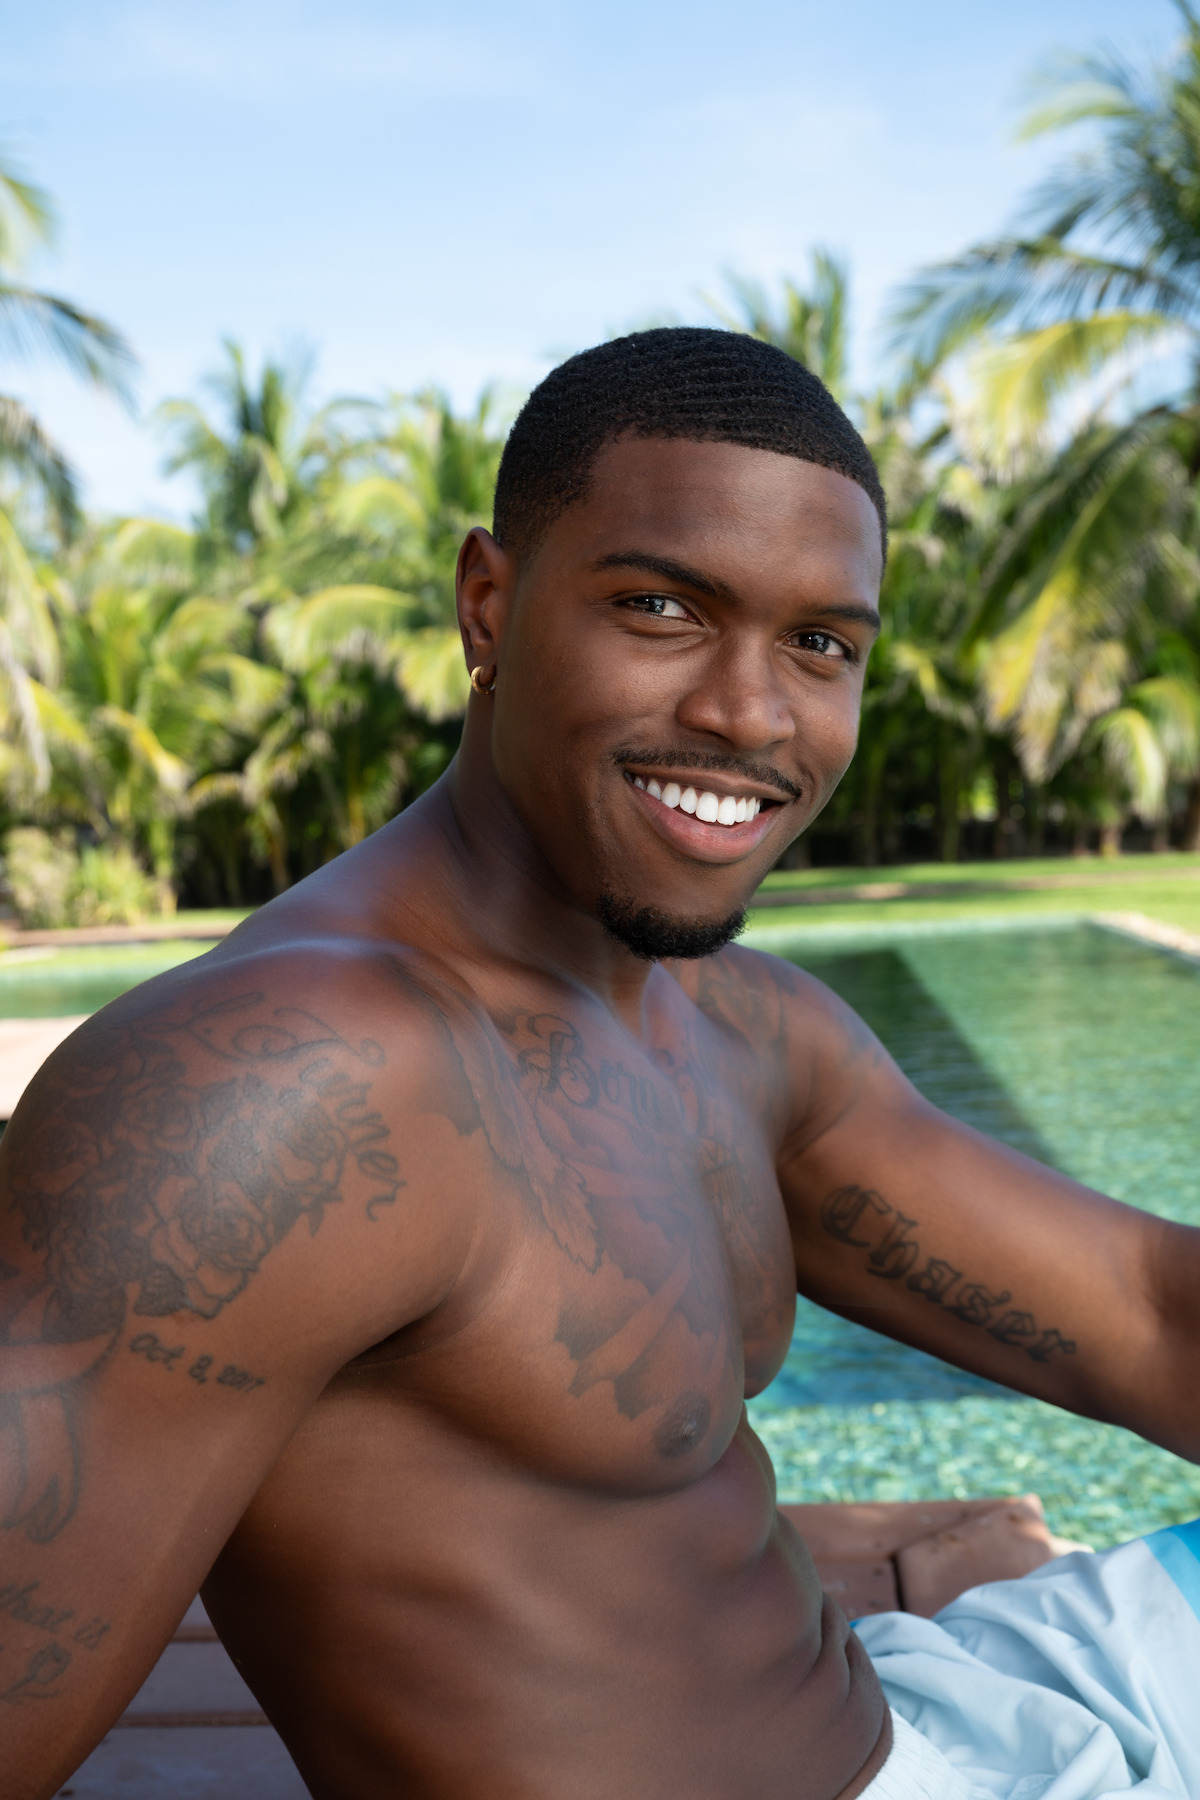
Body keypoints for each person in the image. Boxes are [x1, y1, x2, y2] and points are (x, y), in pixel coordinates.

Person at [2, 328, 1199, 1800]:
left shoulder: (746, 1032)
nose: (752, 716)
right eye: (661, 607)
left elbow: (1149, 1319)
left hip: (945, 1721)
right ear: (486, 604)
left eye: (821, 643)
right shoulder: (288, 1086)